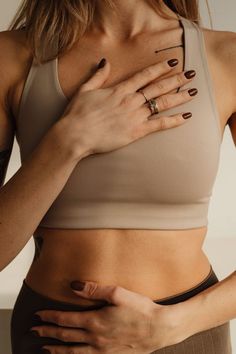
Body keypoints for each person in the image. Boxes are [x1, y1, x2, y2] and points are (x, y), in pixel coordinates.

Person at [0, 0, 235, 353]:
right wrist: (68, 142)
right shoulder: (10, 56)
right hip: (52, 336)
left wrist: (174, 324)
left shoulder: (227, 56)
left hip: (185, 335)